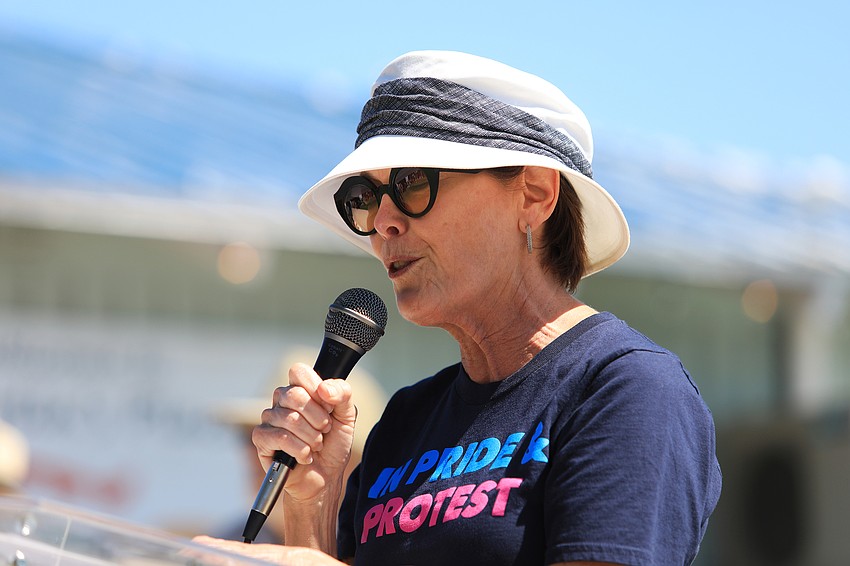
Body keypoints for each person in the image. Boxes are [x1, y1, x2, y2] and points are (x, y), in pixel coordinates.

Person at [196, 50, 722, 565]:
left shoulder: (628, 390)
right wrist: (313, 500)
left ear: (534, 195)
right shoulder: (405, 420)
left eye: (411, 182)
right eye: (364, 197)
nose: (383, 223)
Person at [208, 348, 388, 544]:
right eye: (259, 433)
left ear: (356, 461)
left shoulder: (377, 548)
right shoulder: (224, 544)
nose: (262, 450)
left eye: (294, 438)